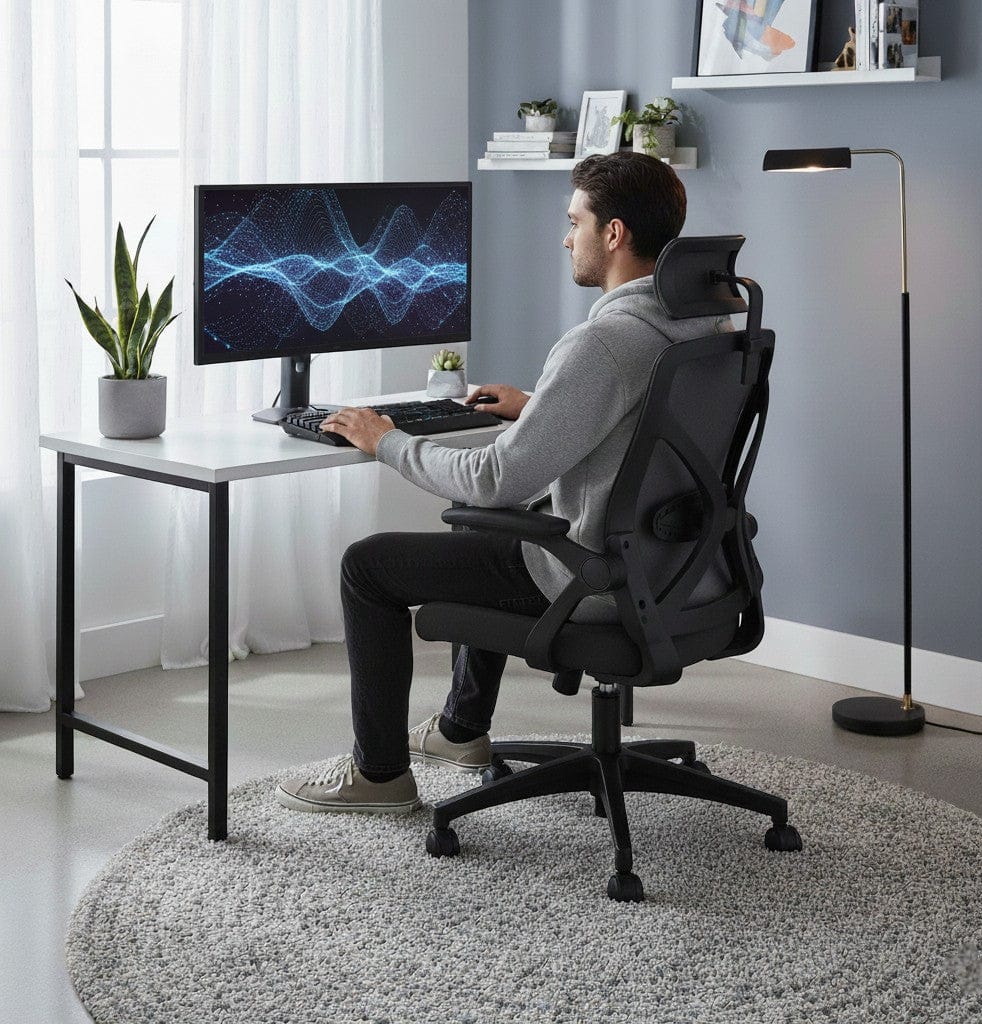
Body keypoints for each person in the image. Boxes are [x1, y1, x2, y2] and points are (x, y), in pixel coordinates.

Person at [275, 151, 729, 815]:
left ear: (615, 233)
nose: (565, 237)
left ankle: (378, 778)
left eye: (575, 220)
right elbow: (644, 425)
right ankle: (460, 731)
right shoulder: (698, 321)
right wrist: (540, 406)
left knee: (368, 566)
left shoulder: (602, 343)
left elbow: (494, 476)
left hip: (593, 580)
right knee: (483, 518)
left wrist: (387, 440)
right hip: (683, 571)